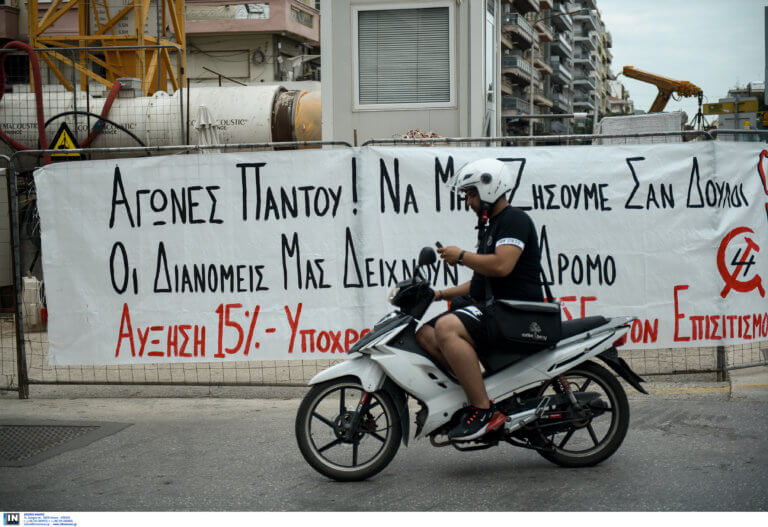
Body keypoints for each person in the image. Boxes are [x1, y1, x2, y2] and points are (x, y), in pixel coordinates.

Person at [416, 158, 544, 441]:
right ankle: (477, 393)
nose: (469, 202)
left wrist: (461, 256)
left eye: (471, 194)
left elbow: (501, 266)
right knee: (425, 334)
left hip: (516, 312)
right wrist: (437, 294)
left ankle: (483, 410)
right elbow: (480, 282)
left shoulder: (514, 220)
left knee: (447, 328)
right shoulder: (491, 228)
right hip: (497, 310)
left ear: (489, 188)